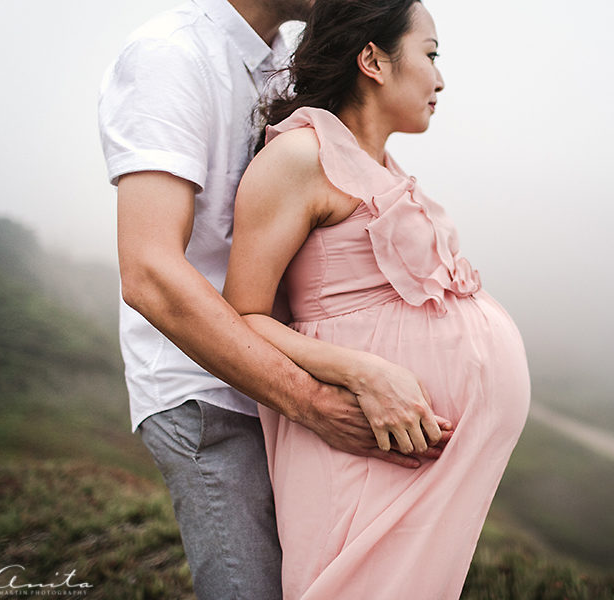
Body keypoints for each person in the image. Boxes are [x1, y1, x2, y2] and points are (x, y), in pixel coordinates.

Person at [98, 0, 450, 597]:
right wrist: (309, 401)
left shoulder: (285, 59)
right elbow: (150, 272)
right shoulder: (171, 57)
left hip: (290, 385)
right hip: (210, 395)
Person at [222, 0, 531, 597]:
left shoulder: (378, 165)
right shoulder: (299, 157)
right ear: (373, 60)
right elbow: (243, 315)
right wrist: (363, 372)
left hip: (414, 463)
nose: (440, 78)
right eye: (431, 54)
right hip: (365, 453)